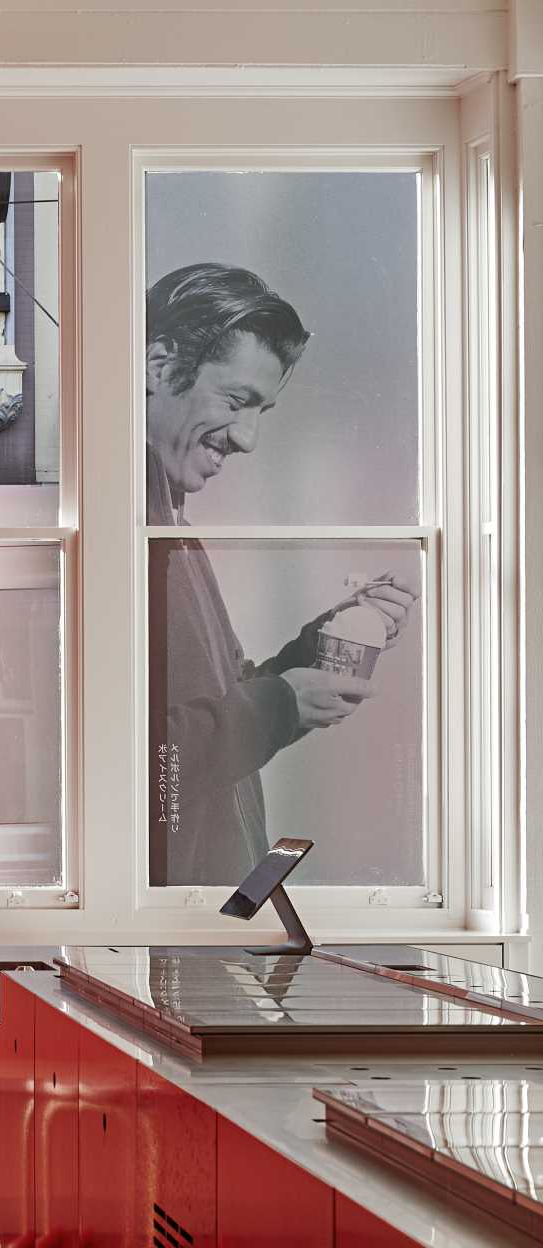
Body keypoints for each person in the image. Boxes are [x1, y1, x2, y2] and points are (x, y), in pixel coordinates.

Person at [145, 263, 418, 885]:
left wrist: (315, 652)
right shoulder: (125, 533)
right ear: (159, 367)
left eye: (261, 410)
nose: (248, 438)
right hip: (168, 936)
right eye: (237, 401)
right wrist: (278, 706)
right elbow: (138, 766)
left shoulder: (165, 525)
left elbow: (213, 707)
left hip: (202, 922)